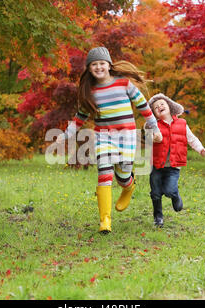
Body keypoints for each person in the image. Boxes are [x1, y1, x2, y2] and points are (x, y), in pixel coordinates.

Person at [57, 47, 162, 234]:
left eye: (101, 63)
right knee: (104, 172)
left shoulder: (124, 84)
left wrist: (153, 126)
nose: (98, 67)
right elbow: (79, 118)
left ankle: (128, 187)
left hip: (127, 136)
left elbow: (143, 106)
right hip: (103, 136)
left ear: (109, 65)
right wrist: (66, 135)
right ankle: (105, 220)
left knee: (123, 176)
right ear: (89, 69)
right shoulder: (89, 91)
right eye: (94, 64)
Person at [147, 93, 205, 227]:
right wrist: (152, 138)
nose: (160, 107)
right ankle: (158, 217)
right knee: (155, 194)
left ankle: (175, 195)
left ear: (170, 106)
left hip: (173, 166)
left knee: (169, 190)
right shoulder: (153, 126)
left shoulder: (182, 123)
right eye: (156, 107)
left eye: (162, 104)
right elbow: (145, 138)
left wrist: (201, 149)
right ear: (154, 114)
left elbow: (192, 139)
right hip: (156, 165)